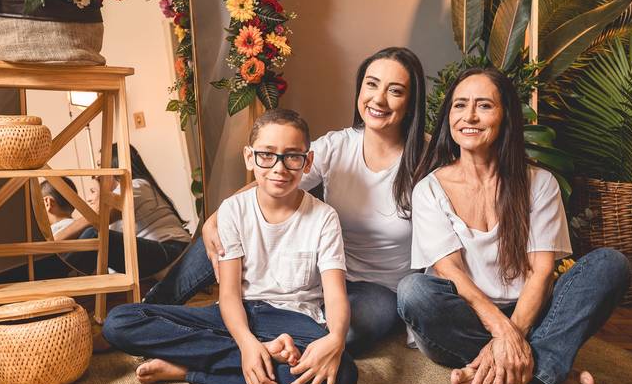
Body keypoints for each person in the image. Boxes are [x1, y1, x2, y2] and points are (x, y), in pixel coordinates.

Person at [145, 47, 427, 354]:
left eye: (394, 91)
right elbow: (269, 182)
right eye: (371, 84)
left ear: (410, 102)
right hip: (318, 274)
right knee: (220, 230)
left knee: (342, 337)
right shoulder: (337, 146)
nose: (378, 99)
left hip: (378, 289)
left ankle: (218, 350)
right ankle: (152, 310)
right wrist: (215, 218)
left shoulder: (427, 159)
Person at [396, 68, 631, 384]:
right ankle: (547, 372)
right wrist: (502, 332)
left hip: (529, 312)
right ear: (448, 116)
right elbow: (451, 272)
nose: (469, 116)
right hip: (464, 317)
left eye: (484, 105)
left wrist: (513, 332)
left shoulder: (540, 183)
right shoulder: (429, 189)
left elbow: (541, 271)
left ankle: (500, 376)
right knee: (414, 292)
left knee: (611, 264)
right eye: (460, 105)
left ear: (506, 116)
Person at [102, 109, 358, 384]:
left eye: (292, 156)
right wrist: (247, 344)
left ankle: (189, 368)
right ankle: (256, 356)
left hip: (294, 321)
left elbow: (335, 295)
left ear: (308, 161)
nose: (279, 167)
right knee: (119, 322)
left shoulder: (324, 217)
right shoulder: (233, 210)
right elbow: (229, 295)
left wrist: (335, 339)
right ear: (249, 157)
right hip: (237, 315)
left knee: (343, 374)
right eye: (266, 155)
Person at [56, 144, 190, 279]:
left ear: (115, 165)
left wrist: (55, 243)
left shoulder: (135, 185)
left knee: (96, 236)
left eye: (99, 165)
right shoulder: (123, 195)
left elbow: (97, 215)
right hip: (159, 256)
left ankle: (53, 275)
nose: (96, 175)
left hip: (171, 250)